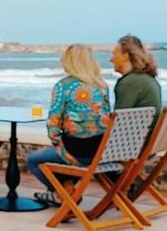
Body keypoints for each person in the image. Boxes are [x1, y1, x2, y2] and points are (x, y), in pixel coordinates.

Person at [26, 44, 112, 206]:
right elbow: (105, 117)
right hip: (100, 152)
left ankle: (63, 193)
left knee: (33, 160)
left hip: (75, 152)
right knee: (59, 157)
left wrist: (58, 143)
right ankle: (66, 189)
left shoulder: (63, 86)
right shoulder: (102, 86)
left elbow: (53, 125)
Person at [111, 34, 161, 117]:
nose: (111, 59)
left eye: (114, 54)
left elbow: (118, 121)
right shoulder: (148, 78)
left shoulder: (129, 83)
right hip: (148, 129)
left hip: (137, 129)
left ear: (125, 56)